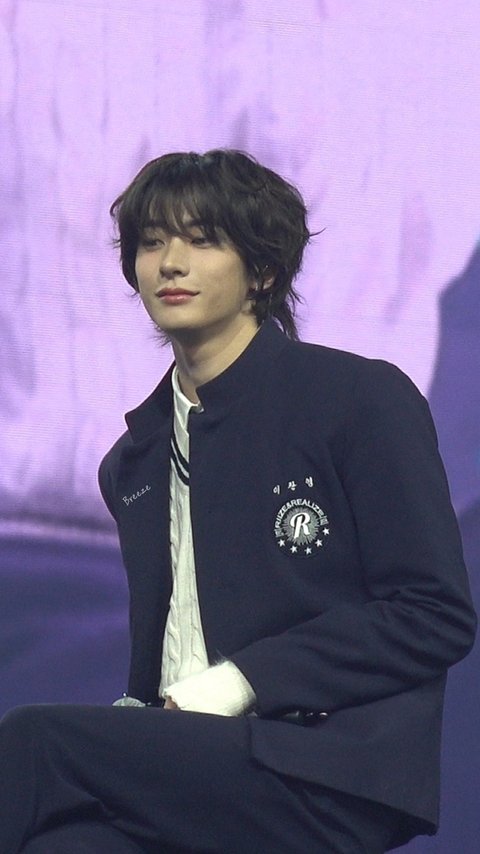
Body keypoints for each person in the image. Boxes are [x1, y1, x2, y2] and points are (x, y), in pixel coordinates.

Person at [0, 149, 476, 853]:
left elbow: (433, 614)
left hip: (321, 768)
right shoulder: (132, 461)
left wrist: (242, 682)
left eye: (202, 240)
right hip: (192, 768)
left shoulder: (356, 399)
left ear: (263, 271)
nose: (171, 263)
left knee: (33, 742)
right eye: (151, 243)